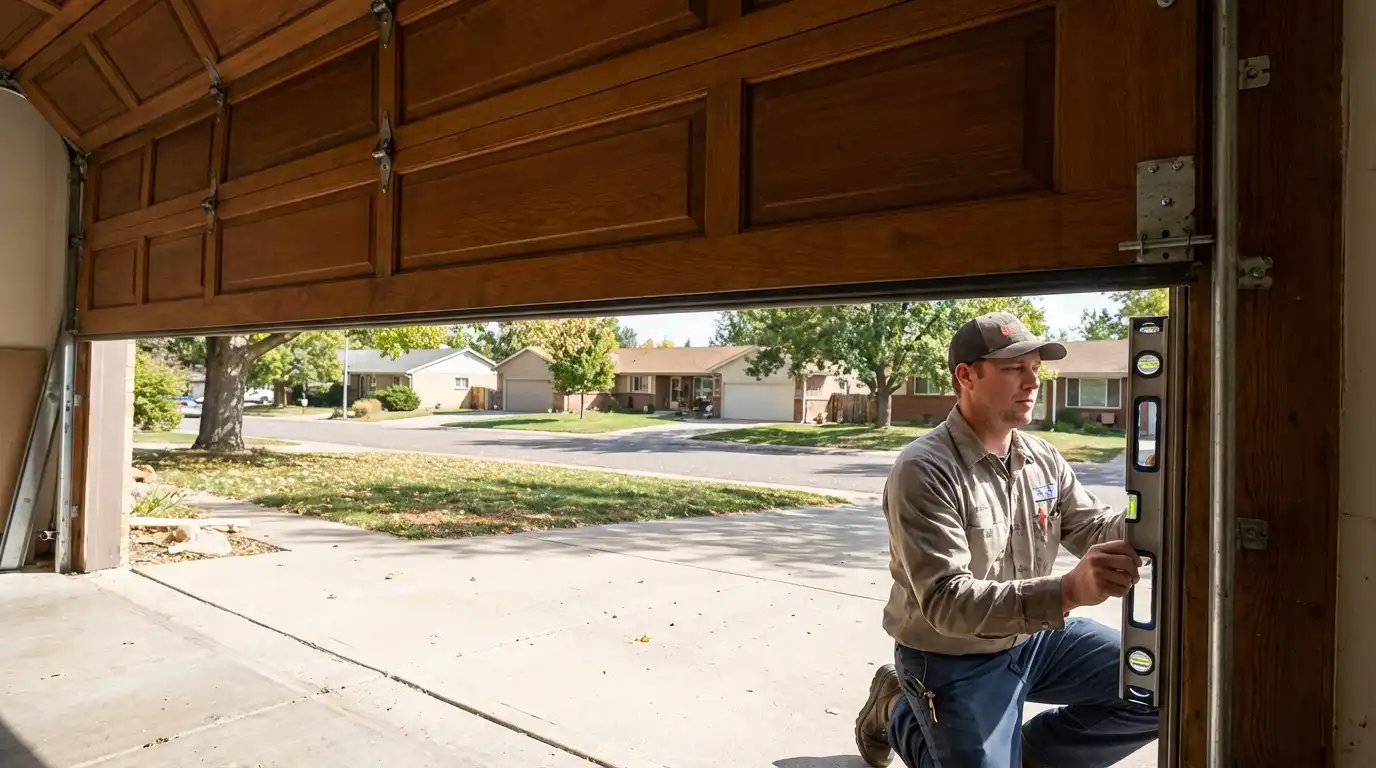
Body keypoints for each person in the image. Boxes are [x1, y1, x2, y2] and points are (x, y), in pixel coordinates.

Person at [851, 312, 1158, 768]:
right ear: (966, 376)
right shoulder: (924, 469)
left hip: (1034, 639)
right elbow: (947, 602)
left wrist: (1159, 515)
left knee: (1158, 682)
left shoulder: (1042, 458)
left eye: (1035, 368)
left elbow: (1093, 527)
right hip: (952, 656)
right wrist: (1068, 590)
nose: (1032, 382)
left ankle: (1027, 756)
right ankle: (894, 706)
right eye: (1014, 368)